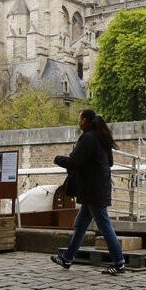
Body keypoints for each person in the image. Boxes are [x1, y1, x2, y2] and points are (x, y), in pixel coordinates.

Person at [50, 109, 126, 275]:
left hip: (92, 189)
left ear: (85, 120)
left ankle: (119, 262)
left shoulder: (89, 138)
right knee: (81, 223)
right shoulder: (102, 138)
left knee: (104, 225)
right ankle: (67, 258)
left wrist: (57, 159)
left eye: (80, 119)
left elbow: (74, 162)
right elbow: (110, 162)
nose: (79, 122)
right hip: (98, 187)